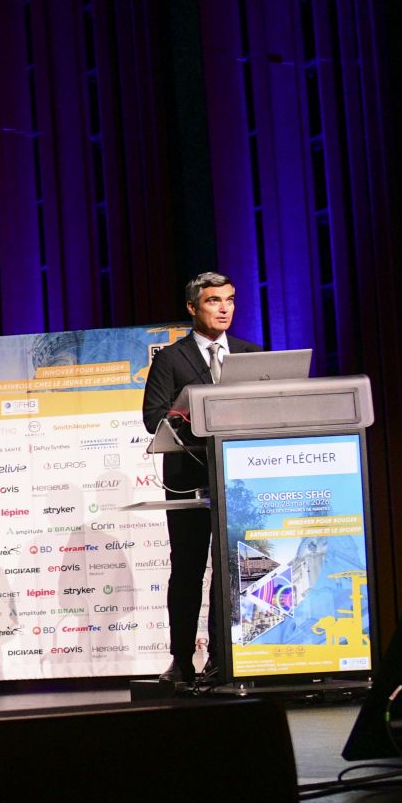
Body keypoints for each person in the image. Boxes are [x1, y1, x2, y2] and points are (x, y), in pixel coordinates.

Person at [140, 271, 263, 688]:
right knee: (189, 570)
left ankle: (221, 658)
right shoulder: (171, 359)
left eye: (230, 299)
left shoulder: (250, 354)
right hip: (188, 478)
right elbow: (153, 417)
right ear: (193, 307)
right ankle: (181, 660)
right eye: (214, 301)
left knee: (233, 570)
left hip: (240, 480)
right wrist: (202, 415)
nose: (225, 308)